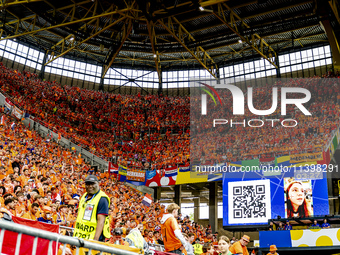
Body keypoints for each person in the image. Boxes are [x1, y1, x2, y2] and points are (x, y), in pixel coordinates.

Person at [73, 175, 110, 241]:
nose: (90, 186)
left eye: (93, 184)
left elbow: (101, 221)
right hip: (80, 237)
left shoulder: (102, 199)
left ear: (98, 184)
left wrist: (95, 241)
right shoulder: (84, 196)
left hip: (92, 240)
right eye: (88, 184)